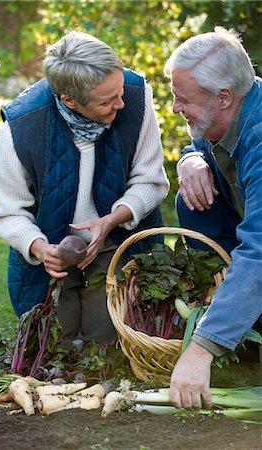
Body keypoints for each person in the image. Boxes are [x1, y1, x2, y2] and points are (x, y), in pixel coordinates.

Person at [0, 31, 169, 344]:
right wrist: (41, 249)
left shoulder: (137, 98)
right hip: (52, 249)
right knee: (57, 341)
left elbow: (150, 180)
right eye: (107, 101)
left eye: (121, 91)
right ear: (69, 99)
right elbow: (9, 212)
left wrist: (112, 220)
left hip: (117, 239)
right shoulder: (20, 127)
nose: (121, 103)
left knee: (106, 340)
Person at [163, 27, 262, 409]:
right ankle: (242, 320)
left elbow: (259, 253)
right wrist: (190, 158)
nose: (174, 108)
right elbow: (201, 135)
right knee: (194, 199)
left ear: (223, 97)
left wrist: (201, 349)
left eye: (181, 99)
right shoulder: (232, 108)